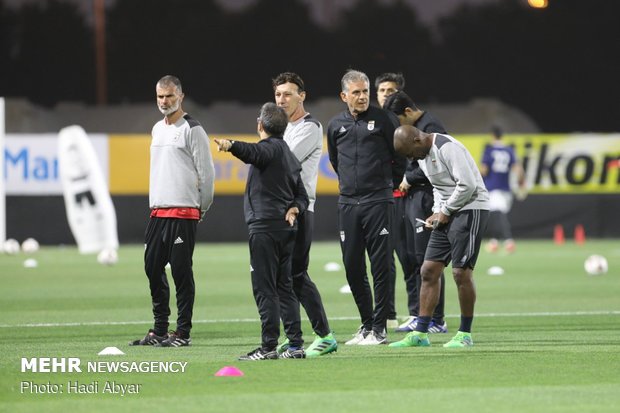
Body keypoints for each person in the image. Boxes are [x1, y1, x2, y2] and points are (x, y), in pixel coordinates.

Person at [215, 102, 309, 361]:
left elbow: (253, 153)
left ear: (260, 125)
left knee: (265, 288)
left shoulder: (270, 149)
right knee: (285, 288)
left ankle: (268, 347)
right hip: (286, 228)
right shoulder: (288, 153)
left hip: (265, 228)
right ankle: (295, 345)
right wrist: (296, 208)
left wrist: (231, 145)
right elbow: (301, 194)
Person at [131, 75, 215, 348]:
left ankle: (183, 332)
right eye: (160, 97)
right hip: (158, 212)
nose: (164, 101)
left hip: (183, 213)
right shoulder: (157, 129)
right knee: (152, 267)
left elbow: (207, 174)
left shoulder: (192, 129)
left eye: (169, 96)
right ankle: (159, 328)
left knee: (180, 271)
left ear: (181, 96)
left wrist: (201, 208)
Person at [389, 125, 489, 349]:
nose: (410, 159)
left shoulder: (447, 147)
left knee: (460, 273)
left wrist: (445, 211)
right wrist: (436, 211)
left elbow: (468, 185)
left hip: (472, 208)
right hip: (449, 210)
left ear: (417, 140)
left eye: (408, 153)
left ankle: (464, 333)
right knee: (428, 270)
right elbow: (438, 187)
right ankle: (421, 333)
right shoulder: (422, 155)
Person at [327, 69, 403, 346]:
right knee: (352, 266)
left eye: (365, 92)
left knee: (381, 266)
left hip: (378, 202)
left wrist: (386, 186)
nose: (362, 97)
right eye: (356, 92)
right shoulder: (335, 125)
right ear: (343, 95)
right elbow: (336, 161)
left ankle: (380, 328)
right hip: (348, 203)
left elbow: (400, 157)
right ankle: (367, 324)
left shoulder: (384, 119)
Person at [272, 72, 337, 357]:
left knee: (296, 275)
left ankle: (325, 335)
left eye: (288, 94)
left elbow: (281, 161)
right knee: (282, 277)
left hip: (300, 210)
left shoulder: (310, 127)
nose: (282, 99)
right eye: (277, 94)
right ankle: (293, 335)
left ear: (302, 95)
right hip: (280, 209)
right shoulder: (281, 129)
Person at [383, 91, 448, 334]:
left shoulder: (430, 127)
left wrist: (408, 178)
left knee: (428, 261)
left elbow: (439, 163)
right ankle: (420, 315)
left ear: (408, 112)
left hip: (427, 197)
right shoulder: (420, 125)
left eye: (400, 121)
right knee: (414, 259)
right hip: (414, 198)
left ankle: (436, 320)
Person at [374, 73, 408, 330]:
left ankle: (421, 313)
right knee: (385, 259)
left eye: (391, 90)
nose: (386, 93)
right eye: (382, 89)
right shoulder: (372, 121)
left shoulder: (408, 121)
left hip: (410, 197)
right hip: (385, 198)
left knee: (412, 258)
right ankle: (389, 313)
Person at [480, 126, 526, 253]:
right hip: (506, 188)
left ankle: (508, 240)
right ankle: (494, 242)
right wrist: (521, 183)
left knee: (497, 213)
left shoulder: (489, 150)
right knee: (495, 214)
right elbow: (518, 169)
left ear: (492, 135)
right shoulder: (509, 150)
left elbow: (484, 170)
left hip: (493, 187)